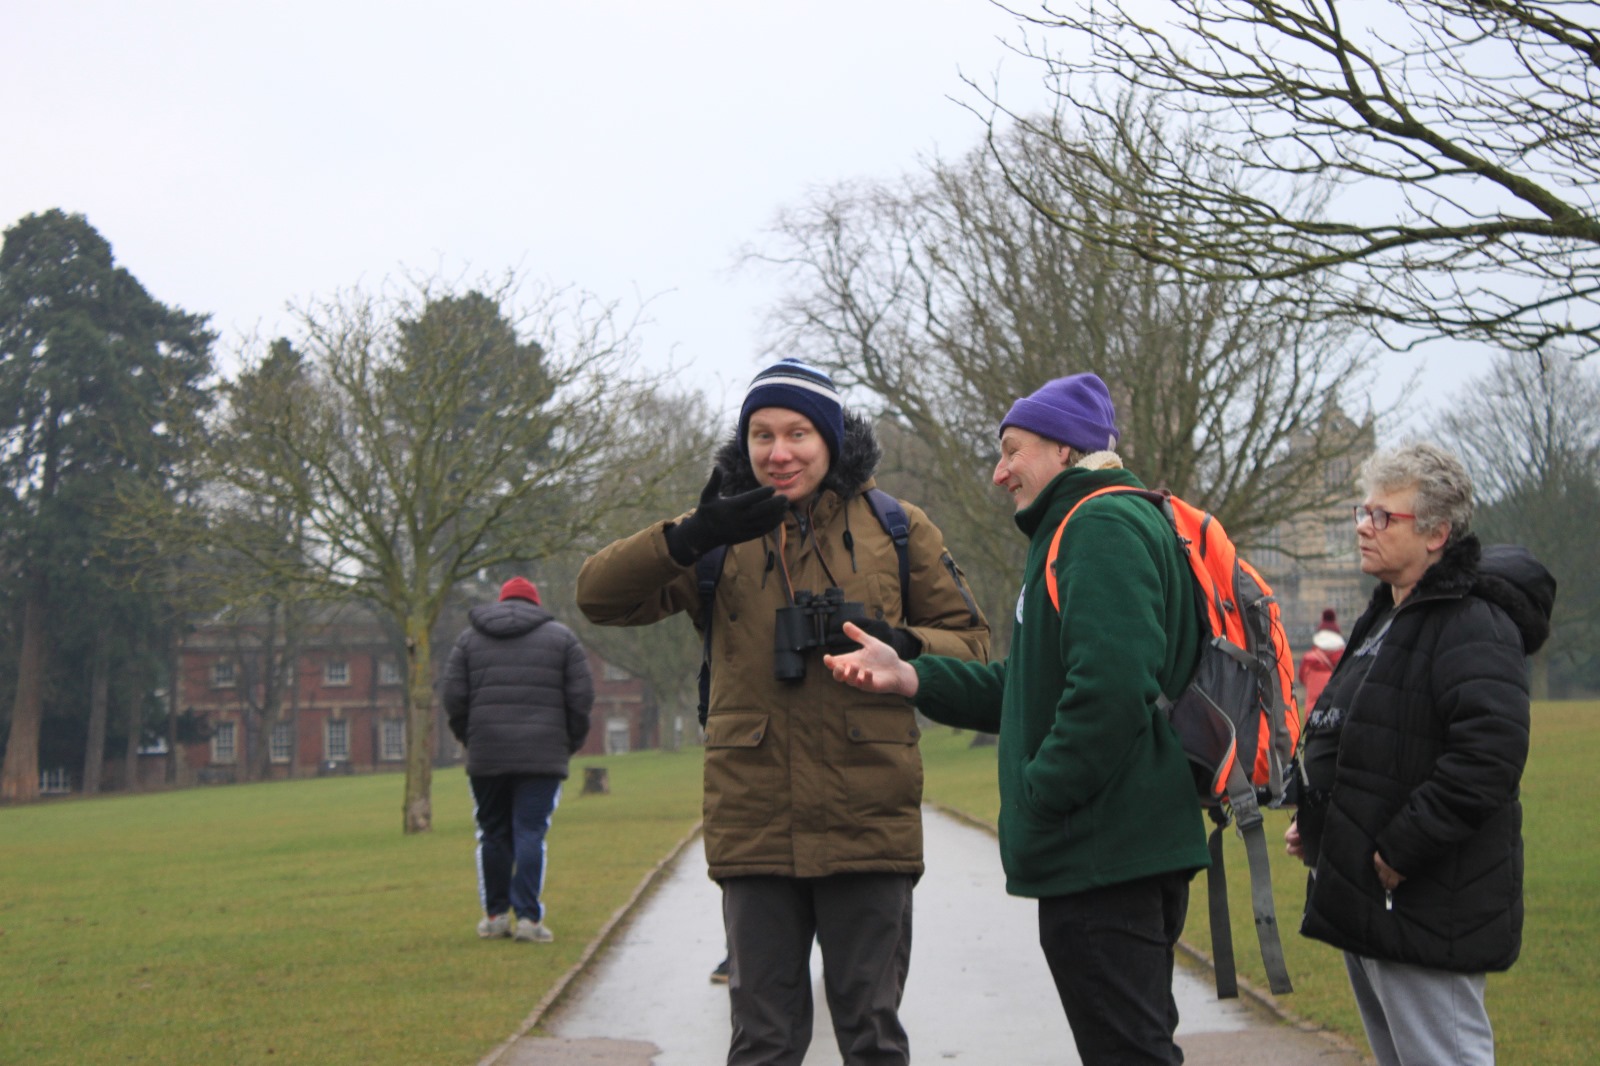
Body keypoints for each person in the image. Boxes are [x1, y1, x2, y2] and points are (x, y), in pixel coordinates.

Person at [576, 357, 990, 1066]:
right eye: (761, 435)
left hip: (869, 818)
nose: (779, 452)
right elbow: (598, 597)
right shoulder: (717, 536)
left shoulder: (896, 527)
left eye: (797, 432)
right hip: (755, 823)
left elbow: (975, 649)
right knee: (762, 1042)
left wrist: (906, 644)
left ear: (830, 438)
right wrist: (688, 536)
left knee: (872, 1036)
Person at [825, 372, 1209, 1065]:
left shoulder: (1099, 525)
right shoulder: (1086, 526)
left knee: (1130, 1053)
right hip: (1112, 848)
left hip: (1105, 854)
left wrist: (1042, 793)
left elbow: (1111, 688)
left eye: (1013, 450)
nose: (1000, 472)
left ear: (1065, 450)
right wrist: (911, 675)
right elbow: (1029, 688)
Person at [1285, 442, 1554, 1066]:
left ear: (1435, 533)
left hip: (1427, 900)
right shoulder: (1388, 614)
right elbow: (1364, 737)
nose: (1362, 525)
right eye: (1363, 510)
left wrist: (1398, 850)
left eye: (1383, 516)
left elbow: (1488, 756)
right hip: (1368, 891)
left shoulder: (1472, 622)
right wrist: (1319, 819)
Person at [441, 576, 594, 944]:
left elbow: (453, 696)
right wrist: (568, 741)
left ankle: (495, 916)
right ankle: (527, 918)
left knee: (492, 833)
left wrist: (469, 736)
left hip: (487, 752)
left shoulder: (468, 640)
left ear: (501, 601)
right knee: (530, 832)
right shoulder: (562, 639)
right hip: (542, 754)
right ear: (536, 604)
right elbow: (582, 698)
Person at [1297, 607, 1346, 710]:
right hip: (1335, 708)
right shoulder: (1344, 659)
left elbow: (1301, 678)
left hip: (1312, 710)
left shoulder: (1308, 659)